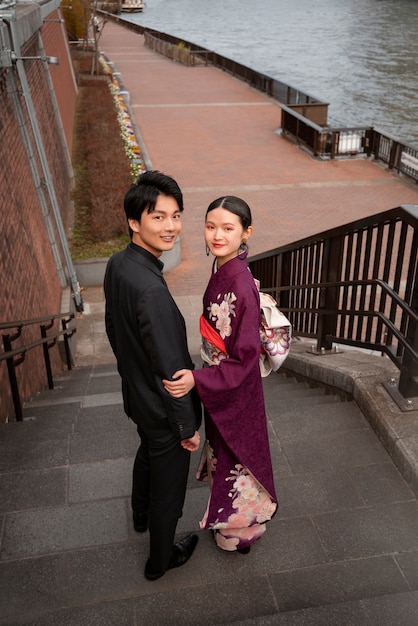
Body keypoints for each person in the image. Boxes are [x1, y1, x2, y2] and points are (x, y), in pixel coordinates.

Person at [163, 196, 277, 554]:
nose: (217, 235)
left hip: (234, 383)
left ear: (246, 232)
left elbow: (244, 357)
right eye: (211, 226)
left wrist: (200, 379)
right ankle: (230, 521)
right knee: (224, 451)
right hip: (221, 376)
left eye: (228, 228)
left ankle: (240, 529)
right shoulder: (222, 267)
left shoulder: (240, 284)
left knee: (235, 454)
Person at [104, 170, 202, 581]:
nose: (171, 227)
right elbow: (171, 367)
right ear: (134, 221)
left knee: (146, 454)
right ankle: (160, 560)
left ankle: (139, 516)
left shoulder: (119, 264)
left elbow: (116, 331)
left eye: (176, 216)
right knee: (170, 490)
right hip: (163, 411)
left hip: (137, 397)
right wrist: (187, 427)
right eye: (158, 217)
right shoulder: (151, 290)